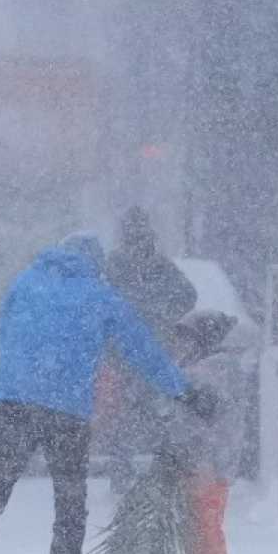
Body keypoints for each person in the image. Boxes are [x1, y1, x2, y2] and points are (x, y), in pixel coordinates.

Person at [0, 232, 213, 554]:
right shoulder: (99, 294)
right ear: (95, 264)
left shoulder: (26, 280)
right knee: (69, 503)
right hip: (66, 410)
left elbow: (2, 331)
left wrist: (25, 372)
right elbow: (141, 349)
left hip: (10, 404)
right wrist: (183, 390)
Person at [94, 207, 197, 493]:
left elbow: (99, 300)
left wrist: (116, 321)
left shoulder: (113, 264)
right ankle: (162, 475)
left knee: (121, 414)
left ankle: (121, 474)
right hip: (155, 349)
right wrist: (162, 314)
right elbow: (189, 295)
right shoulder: (160, 264)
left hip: (120, 352)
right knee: (159, 411)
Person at [164, 310, 252, 554]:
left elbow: (198, 408)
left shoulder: (218, 367)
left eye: (188, 337)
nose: (182, 344)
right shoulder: (203, 365)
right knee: (196, 528)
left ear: (205, 337)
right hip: (197, 461)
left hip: (209, 464)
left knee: (206, 529)